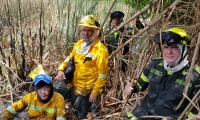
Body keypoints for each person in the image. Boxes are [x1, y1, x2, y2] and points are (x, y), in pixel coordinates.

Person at [123, 28, 200, 120]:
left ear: (184, 50)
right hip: (141, 114)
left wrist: (177, 118)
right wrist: (132, 87)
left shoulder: (195, 76)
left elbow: (196, 111)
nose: (169, 52)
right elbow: (140, 84)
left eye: (175, 47)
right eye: (166, 47)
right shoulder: (154, 65)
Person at [53, 14, 109, 119]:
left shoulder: (101, 50)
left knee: (78, 115)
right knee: (52, 89)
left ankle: (79, 104)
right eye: (84, 30)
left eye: (89, 31)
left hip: (85, 89)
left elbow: (103, 75)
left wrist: (94, 93)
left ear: (96, 32)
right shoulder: (78, 44)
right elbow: (69, 58)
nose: (86, 33)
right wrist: (61, 69)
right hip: (72, 83)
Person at [1, 74, 66, 120]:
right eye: (40, 88)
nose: (43, 92)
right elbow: (10, 110)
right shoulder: (29, 97)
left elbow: (61, 118)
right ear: (36, 89)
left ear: (51, 88)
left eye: (46, 87)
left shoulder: (59, 99)